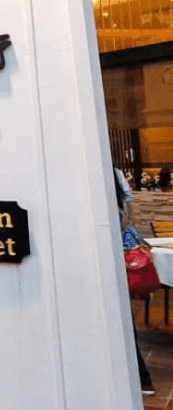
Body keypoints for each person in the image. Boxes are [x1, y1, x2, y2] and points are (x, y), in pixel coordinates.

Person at [117, 167, 157, 396]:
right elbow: (128, 211)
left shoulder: (112, 173)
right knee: (122, 317)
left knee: (120, 316)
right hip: (117, 249)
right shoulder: (115, 174)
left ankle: (139, 377)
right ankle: (140, 377)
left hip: (112, 252)